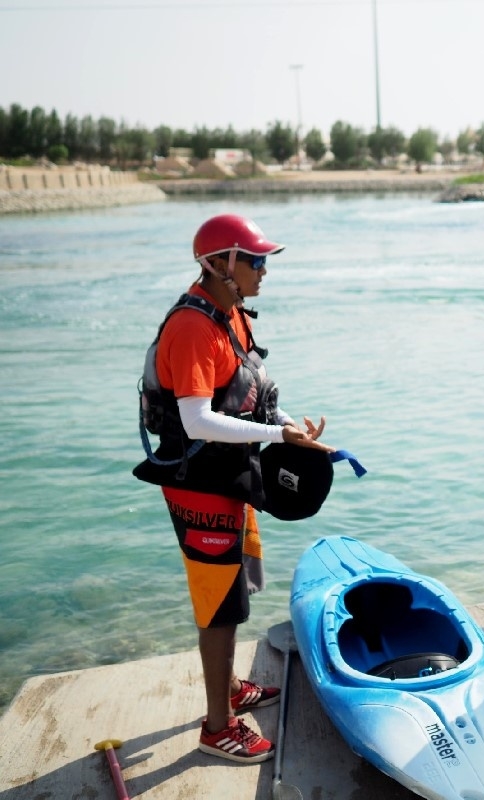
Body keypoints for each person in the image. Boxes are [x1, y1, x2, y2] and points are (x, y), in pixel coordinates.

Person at [133, 213, 334, 763]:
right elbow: (197, 419)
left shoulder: (230, 315)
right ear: (219, 264)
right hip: (197, 483)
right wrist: (277, 434)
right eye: (255, 260)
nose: (264, 270)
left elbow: (251, 395)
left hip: (229, 474)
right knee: (219, 606)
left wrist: (295, 431)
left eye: (264, 259)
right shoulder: (193, 328)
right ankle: (218, 726)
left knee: (235, 592)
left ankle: (228, 690)